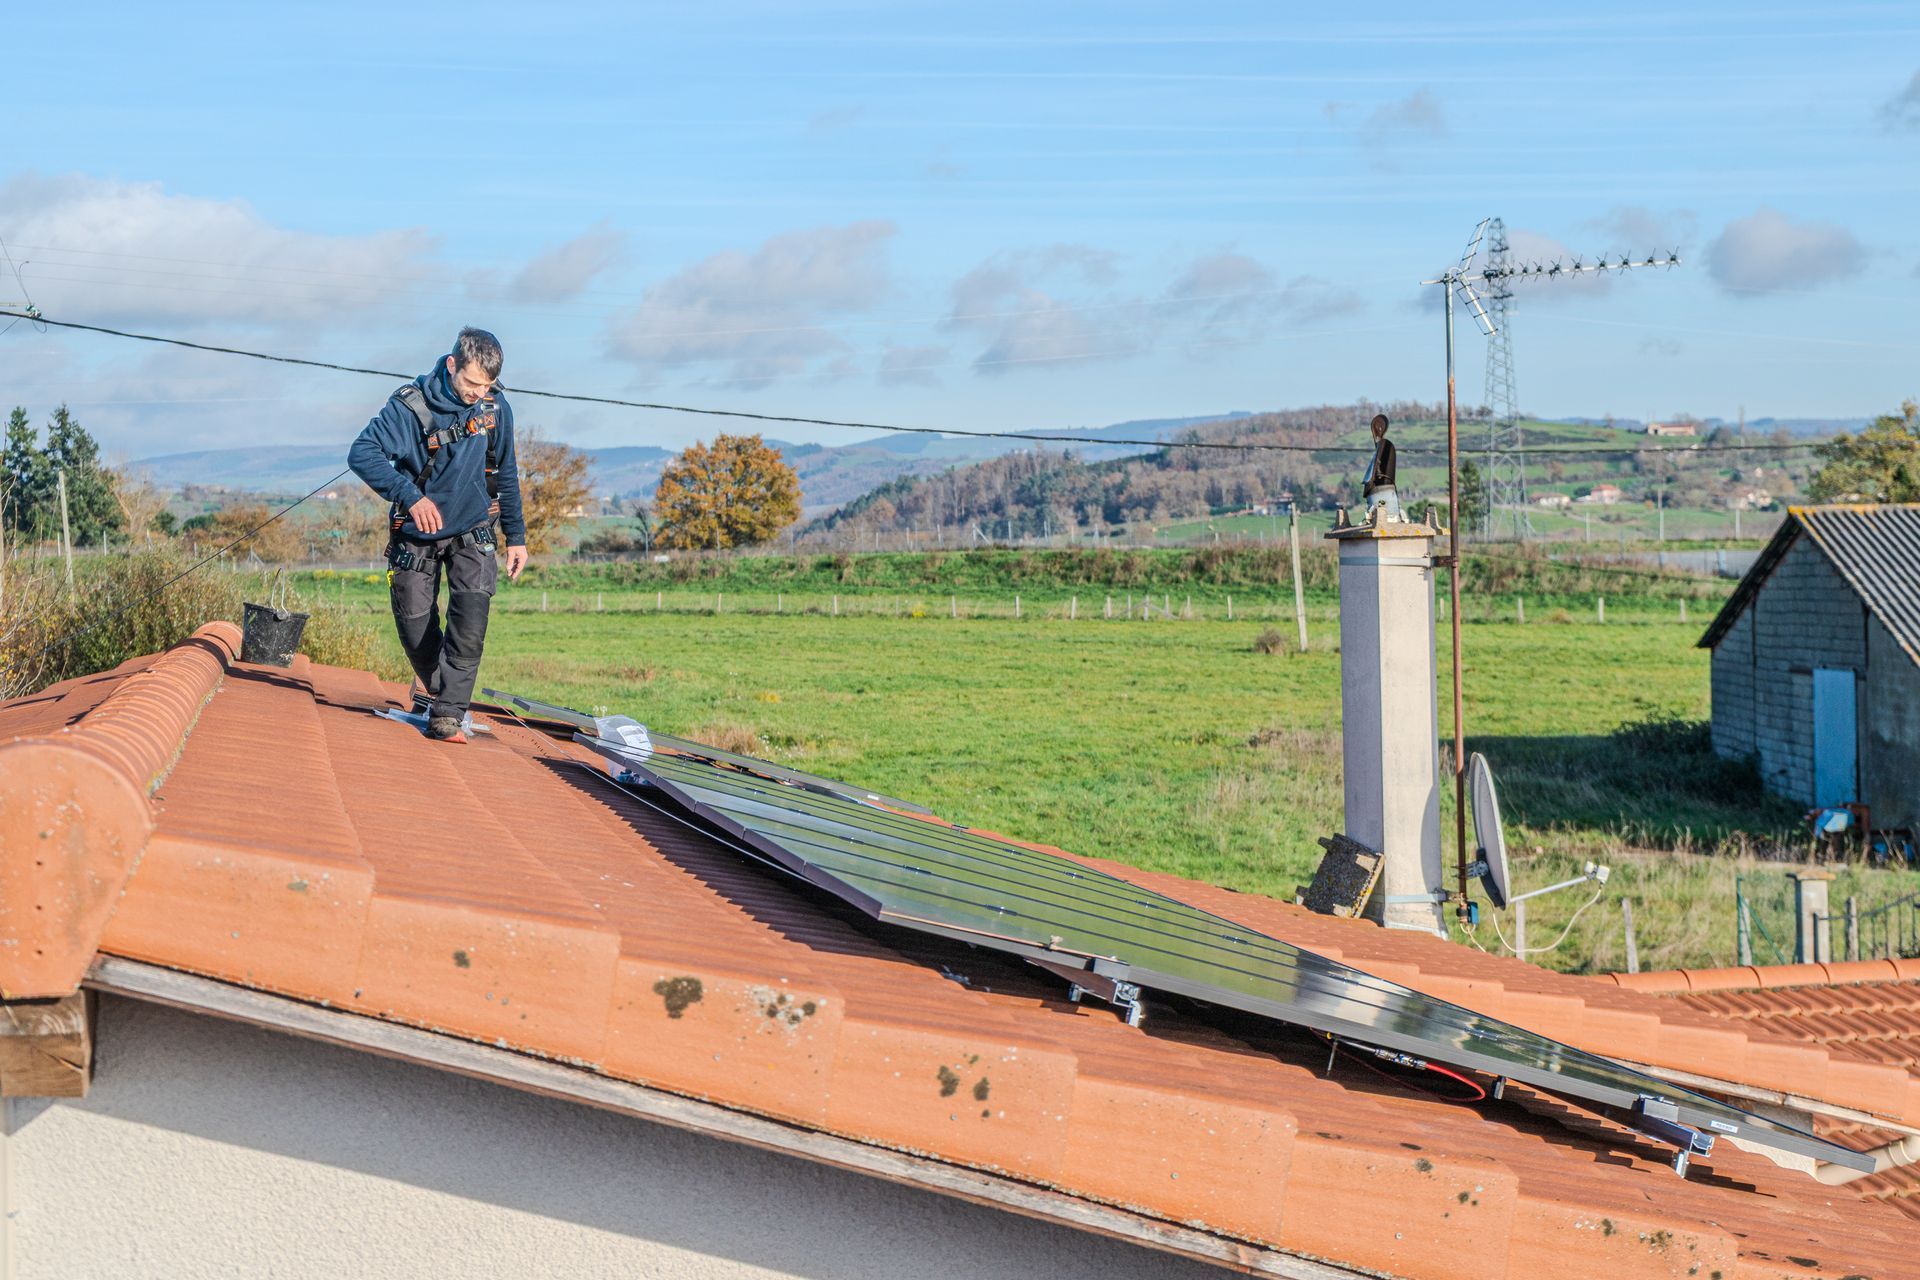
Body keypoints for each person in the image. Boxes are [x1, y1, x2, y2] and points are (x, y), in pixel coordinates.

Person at [348, 328, 528, 741]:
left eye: (487, 385)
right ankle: (437, 693)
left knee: (470, 620)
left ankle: (448, 715)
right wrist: (410, 496)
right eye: (471, 383)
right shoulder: (409, 406)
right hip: (416, 531)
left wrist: (515, 537)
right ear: (451, 365)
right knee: (414, 627)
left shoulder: (495, 408)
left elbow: (508, 472)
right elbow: (362, 453)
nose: (477, 393)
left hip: (473, 527)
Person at [1362, 412, 1400, 521]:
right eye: (1376, 427)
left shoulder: (1386, 445)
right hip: (1377, 492)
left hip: (1386, 491)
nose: (1377, 430)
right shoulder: (1380, 446)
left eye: (1379, 427)